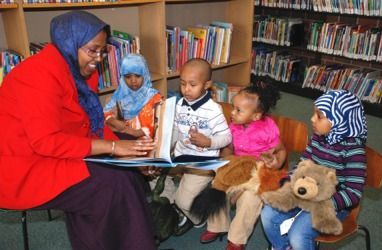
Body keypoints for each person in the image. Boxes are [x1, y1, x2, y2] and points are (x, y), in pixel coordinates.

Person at [0, 11, 157, 250]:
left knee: (129, 158)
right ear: (70, 44)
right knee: (110, 183)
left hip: (58, 147)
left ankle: (133, 238)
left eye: (103, 51)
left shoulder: (77, 69)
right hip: (24, 165)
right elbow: (46, 142)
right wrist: (114, 148)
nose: (98, 59)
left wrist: (129, 154)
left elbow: (89, 122)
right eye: (92, 50)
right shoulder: (37, 75)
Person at [260, 90, 368, 250]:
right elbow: (302, 167)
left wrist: (325, 202)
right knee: (267, 215)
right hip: (304, 192)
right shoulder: (318, 138)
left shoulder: (354, 151)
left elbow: (354, 193)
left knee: (298, 234)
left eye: (319, 116)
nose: (312, 119)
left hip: (331, 204)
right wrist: (290, 182)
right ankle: (282, 247)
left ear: (338, 120)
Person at [199, 83, 287, 250]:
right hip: (239, 167)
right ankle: (218, 226)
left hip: (260, 172)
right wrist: (227, 163)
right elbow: (228, 149)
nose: (232, 113)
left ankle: (237, 239)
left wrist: (276, 163)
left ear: (255, 116)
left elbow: (281, 151)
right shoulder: (233, 126)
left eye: (238, 110)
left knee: (249, 200)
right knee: (217, 185)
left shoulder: (268, 128)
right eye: (233, 107)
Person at [172, 58, 232, 236]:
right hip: (181, 157)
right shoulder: (179, 104)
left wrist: (209, 142)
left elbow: (226, 137)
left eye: (192, 84)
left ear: (207, 84)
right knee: (152, 177)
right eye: (182, 84)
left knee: (181, 201)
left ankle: (199, 218)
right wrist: (165, 149)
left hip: (202, 164)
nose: (186, 89)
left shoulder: (213, 110)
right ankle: (181, 205)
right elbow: (176, 130)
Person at [103, 53, 162, 139]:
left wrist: (131, 132)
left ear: (144, 75)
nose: (133, 80)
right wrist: (113, 121)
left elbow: (156, 125)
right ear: (123, 77)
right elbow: (106, 112)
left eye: (137, 76)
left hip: (144, 140)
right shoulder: (120, 93)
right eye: (128, 77)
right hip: (124, 136)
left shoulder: (153, 97)